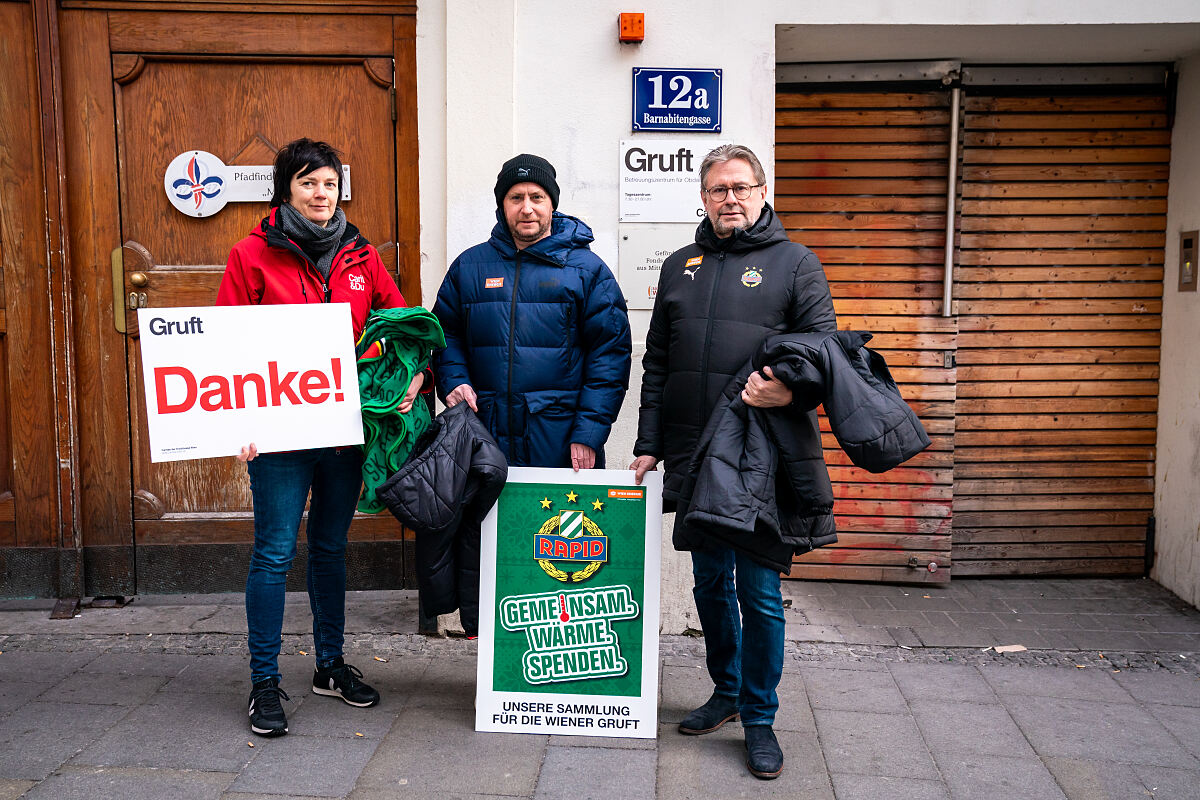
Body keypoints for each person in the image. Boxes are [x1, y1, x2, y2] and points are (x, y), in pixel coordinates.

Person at [631, 144, 837, 779]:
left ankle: (759, 717)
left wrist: (791, 391)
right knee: (709, 582)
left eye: (741, 188)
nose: (730, 199)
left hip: (763, 456)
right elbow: (658, 364)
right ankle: (725, 690)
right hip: (694, 453)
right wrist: (648, 441)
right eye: (719, 189)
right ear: (702, 196)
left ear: (761, 190)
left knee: (761, 592)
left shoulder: (796, 264)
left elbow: (829, 356)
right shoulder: (678, 266)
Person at [216, 138, 425, 738]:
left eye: (329, 183)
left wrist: (412, 376)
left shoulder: (361, 256)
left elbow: (402, 323)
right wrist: (239, 422)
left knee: (330, 548)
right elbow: (224, 348)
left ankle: (329, 666)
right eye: (308, 183)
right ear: (287, 190)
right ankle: (263, 681)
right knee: (275, 552)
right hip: (279, 432)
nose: (320, 194)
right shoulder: (250, 255)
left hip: (343, 429)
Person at [432, 153, 631, 470]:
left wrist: (589, 432)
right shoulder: (469, 267)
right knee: (485, 520)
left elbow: (609, 356)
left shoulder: (587, 271)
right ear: (502, 206)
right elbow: (444, 335)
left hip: (559, 441)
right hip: (483, 436)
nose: (527, 208)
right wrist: (454, 381)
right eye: (516, 198)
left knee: (559, 520)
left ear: (551, 203)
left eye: (536, 197)